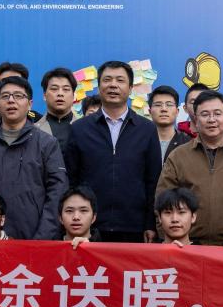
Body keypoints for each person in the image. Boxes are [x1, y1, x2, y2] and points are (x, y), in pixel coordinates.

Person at [64, 60, 162, 243]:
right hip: (89, 227)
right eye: (107, 80)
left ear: (131, 88)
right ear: (99, 86)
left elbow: (153, 180)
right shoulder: (79, 129)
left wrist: (151, 223)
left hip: (134, 226)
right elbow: (71, 179)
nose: (113, 85)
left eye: (120, 80)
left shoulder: (146, 129)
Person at [0, 75, 68, 240]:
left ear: (30, 104)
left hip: (36, 240)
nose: (11, 100)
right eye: (5, 96)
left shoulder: (47, 143)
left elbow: (57, 192)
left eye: (18, 96)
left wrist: (42, 238)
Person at [157, 90, 223, 245]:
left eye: (217, 114)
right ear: (195, 119)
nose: (211, 119)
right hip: (187, 244)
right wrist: (166, 238)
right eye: (205, 114)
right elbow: (162, 200)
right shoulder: (178, 156)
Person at [35, 67, 82, 151]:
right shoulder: (33, 131)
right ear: (44, 96)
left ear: (73, 96)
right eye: (54, 89)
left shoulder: (86, 129)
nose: (60, 93)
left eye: (66, 89)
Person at [149, 85, 190, 162]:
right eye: (158, 105)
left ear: (177, 111)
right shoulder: (140, 141)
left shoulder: (188, 144)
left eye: (169, 105)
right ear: (150, 112)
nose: (164, 109)